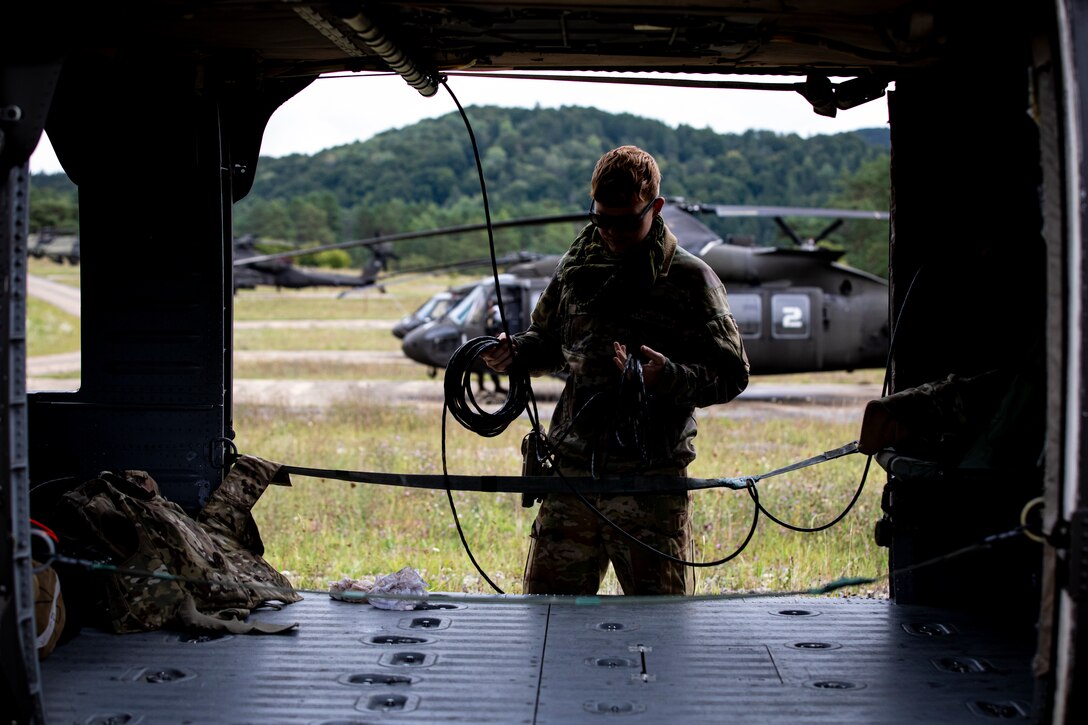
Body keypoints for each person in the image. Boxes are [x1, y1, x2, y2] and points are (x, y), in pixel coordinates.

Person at [481, 145, 750, 596]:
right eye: (601, 219)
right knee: (551, 620)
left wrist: (668, 377)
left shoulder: (690, 279)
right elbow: (547, 342)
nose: (611, 232)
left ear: (656, 208)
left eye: (626, 221)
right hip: (572, 476)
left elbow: (731, 373)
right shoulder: (575, 269)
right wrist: (515, 354)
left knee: (658, 629)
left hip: (648, 481)